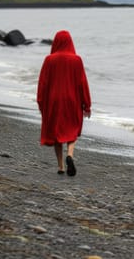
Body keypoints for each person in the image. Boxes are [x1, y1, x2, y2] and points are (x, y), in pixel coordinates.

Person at [37, 30, 91, 176]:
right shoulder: (76, 60)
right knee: (71, 129)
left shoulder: (49, 60)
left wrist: (41, 102)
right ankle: (70, 155)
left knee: (56, 132)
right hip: (72, 100)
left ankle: (61, 167)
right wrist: (87, 104)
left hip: (54, 101)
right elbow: (82, 84)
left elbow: (43, 83)